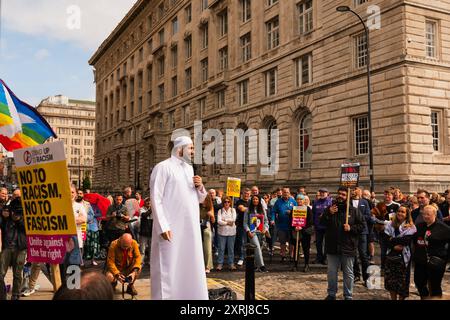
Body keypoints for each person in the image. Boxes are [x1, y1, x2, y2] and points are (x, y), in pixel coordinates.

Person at [149, 135, 208, 300]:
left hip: (190, 228)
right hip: (170, 228)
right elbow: (156, 198)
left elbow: (198, 199)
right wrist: (163, 226)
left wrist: (200, 186)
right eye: (190, 148)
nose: (193, 151)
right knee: (168, 268)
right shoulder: (162, 167)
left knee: (190, 266)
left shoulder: (189, 169)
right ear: (180, 149)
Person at [320, 187, 365, 300]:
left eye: (343, 194)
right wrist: (329, 213)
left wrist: (351, 228)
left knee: (348, 273)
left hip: (348, 247)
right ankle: (331, 294)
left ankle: (348, 295)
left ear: (347, 197)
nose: (341, 196)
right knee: (331, 273)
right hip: (332, 246)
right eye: (339, 194)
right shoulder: (330, 209)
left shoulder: (354, 211)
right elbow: (322, 223)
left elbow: (362, 226)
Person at [413, 205, 450, 299]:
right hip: (420, 261)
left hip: (436, 262)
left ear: (435, 214)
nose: (425, 216)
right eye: (424, 214)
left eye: (428, 214)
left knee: (435, 286)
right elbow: (413, 240)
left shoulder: (444, 228)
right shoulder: (419, 226)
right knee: (419, 282)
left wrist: (445, 259)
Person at [383, 205, 416, 300]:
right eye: (399, 211)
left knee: (403, 282)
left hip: (403, 257)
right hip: (391, 256)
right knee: (391, 281)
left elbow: (406, 241)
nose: (400, 213)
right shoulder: (390, 224)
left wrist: (391, 239)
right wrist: (393, 246)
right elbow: (385, 240)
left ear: (407, 215)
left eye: (403, 212)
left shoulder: (411, 227)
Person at [0, 202, 27, 300]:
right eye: (15, 210)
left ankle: (15, 295)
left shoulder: (26, 217)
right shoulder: (6, 218)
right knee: (1, 273)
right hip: (7, 247)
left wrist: (19, 220)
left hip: (20, 249)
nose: (16, 213)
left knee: (17, 274)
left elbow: (27, 229)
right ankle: (2, 295)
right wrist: (3, 215)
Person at [351, 187, 371, 285]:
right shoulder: (348, 202)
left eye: (356, 189)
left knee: (363, 255)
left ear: (360, 191)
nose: (354, 191)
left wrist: (357, 218)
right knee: (353, 254)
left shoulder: (364, 202)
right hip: (352, 231)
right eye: (353, 189)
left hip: (362, 231)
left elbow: (368, 215)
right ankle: (356, 275)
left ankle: (366, 277)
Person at [244, 195, 269, 272]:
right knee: (257, 247)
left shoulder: (262, 210)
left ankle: (254, 265)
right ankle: (262, 266)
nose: (255, 200)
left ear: (259, 201)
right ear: (251, 200)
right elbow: (245, 223)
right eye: (254, 199)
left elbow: (266, 221)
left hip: (261, 233)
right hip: (252, 233)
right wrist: (248, 231)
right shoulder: (247, 210)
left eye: (256, 199)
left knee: (259, 249)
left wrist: (265, 229)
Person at [272, 187, 297, 262]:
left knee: (291, 242)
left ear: (289, 193)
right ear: (282, 193)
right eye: (284, 192)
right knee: (282, 242)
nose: (286, 193)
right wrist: (272, 219)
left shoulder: (293, 201)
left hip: (291, 225)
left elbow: (297, 211)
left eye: (287, 192)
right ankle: (283, 255)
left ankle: (291, 255)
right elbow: (273, 211)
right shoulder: (278, 202)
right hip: (281, 225)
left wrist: (291, 212)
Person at [78, 190, 100, 266]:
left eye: (80, 193)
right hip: (76, 227)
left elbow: (92, 214)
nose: (79, 195)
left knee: (87, 243)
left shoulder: (87, 204)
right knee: (79, 244)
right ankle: (80, 260)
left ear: (83, 195)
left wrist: (85, 219)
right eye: (78, 193)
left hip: (85, 227)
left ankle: (88, 260)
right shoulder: (72, 204)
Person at [293, 194, 314, 272]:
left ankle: (306, 264)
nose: (299, 201)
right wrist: (294, 227)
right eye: (298, 199)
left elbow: (310, 221)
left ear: (304, 200)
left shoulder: (308, 209)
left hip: (305, 232)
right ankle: (295, 264)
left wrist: (302, 226)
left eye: (301, 199)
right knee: (296, 248)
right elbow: (291, 219)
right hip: (296, 231)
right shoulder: (294, 208)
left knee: (306, 248)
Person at [216, 196, 237, 271]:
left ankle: (231, 263)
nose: (226, 203)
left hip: (231, 232)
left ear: (230, 202)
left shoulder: (233, 210)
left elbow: (233, 219)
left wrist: (224, 220)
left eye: (228, 202)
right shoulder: (220, 211)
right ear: (223, 203)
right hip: (222, 232)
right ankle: (220, 264)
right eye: (225, 201)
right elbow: (219, 221)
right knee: (221, 249)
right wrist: (228, 222)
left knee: (231, 249)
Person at [312, 188, 331, 265]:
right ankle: (319, 257)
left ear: (327, 193)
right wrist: (313, 224)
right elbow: (313, 213)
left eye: (324, 192)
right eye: (321, 192)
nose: (322, 194)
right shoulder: (316, 202)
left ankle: (325, 258)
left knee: (327, 243)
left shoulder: (330, 202)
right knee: (318, 243)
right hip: (318, 226)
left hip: (327, 226)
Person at [234, 189, 251, 266]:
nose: (246, 195)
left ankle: (249, 257)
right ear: (242, 194)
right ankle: (241, 257)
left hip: (252, 225)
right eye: (245, 193)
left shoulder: (251, 201)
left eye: (248, 194)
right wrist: (251, 210)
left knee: (251, 242)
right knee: (242, 242)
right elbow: (241, 208)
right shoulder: (239, 202)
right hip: (241, 225)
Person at [200, 194, 215, 273]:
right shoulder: (198, 207)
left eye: (204, 199)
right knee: (199, 248)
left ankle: (208, 266)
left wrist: (211, 216)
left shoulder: (210, 207)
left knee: (207, 248)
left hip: (206, 229)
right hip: (198, 228)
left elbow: (213, 221)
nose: (202, 201)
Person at [139, 197, 152, 266]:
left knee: (151, 249)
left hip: (151, 232)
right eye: (147, 202)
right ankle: (141, 262)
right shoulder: (142, 209)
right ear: (145, 202)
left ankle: (150, 262)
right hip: (143, 232)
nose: (148, 203)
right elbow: (144, 215)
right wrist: (151, 210)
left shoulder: (153, 210)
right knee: (142, 250)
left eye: (150, 202)